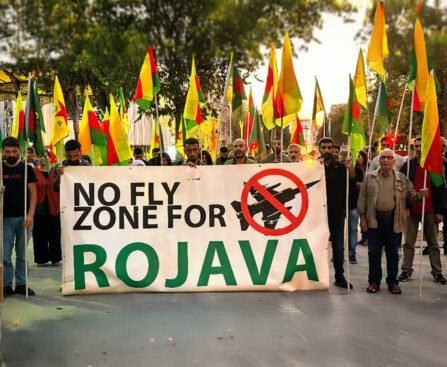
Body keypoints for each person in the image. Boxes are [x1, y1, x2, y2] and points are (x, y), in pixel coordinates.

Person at [358, 148, 429, 294]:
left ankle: (393, 283)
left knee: (393, 254)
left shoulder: (402, 178)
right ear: (378, 160)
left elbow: (411, 196)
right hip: (374, 220)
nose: (385, 160)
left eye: (389, 158)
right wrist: (363, 220)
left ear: (394, 161)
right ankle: (374, 282)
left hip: (394, 220)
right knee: (374, 254)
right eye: (382, 158)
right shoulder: (369, 178)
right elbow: (362, 200)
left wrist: (420, 195)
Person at [397, 137, 446, 284]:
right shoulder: (407, 166)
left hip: (430, 209)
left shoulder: (434, 166)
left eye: (421, 146)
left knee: (433, 243)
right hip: (412, 210)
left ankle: (437, 272)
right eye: (416, 146)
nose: (418, 148)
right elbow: (402, 188)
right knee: (409, 243)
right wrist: (405, 207)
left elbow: (441, 189)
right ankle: (406, 271)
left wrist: (440, 211)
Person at [2, 137, 37, 297]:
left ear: (19, 151)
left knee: (22, 254)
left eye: (14, 151)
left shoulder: (27, 169)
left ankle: (22, 284)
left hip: (24, 218)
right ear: (3, 152)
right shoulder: (0, 169)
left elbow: (33, 193)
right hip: (4, 219)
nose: (11, 154)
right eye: (7, 151)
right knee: (5, 255)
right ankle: (6, 284)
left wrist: (30, 214)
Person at [318, 137, 353, 289]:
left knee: (338, 246)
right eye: (324, 147)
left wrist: (351, 170)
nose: (327, 150)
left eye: (329, 147)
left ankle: (339, 276)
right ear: (319, 149)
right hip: (317, 213)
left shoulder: (340, 166)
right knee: (316, 245)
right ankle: (314, 275)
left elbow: (350, 185)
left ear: (333, 149)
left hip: (336, 212)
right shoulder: (312, 167)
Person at [32, 155, 61, 266]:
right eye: (40, 157)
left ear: (49, 159)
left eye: (45, 157)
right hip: (39, 207)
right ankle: (41, 258)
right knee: (39, 233)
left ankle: (55, 257)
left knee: (55, 232)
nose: (42, 159)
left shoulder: (55, 171)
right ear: (37, 159)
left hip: (54, 206)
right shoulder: (33, 171)